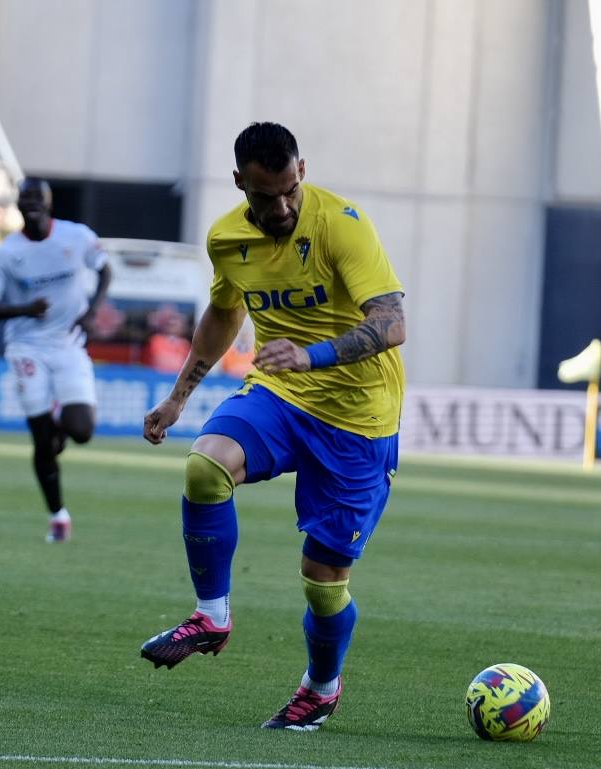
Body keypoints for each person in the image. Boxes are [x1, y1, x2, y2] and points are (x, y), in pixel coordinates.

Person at [139, 122, 406, 731]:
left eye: (289, 191)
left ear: (302, 171)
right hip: (281, 395)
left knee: (323, 581)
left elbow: (392, 323)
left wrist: (309, 355)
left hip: (359, 419)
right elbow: (224, 312)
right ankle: (211, 615)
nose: (281, 208)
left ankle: (321, 686)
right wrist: (179, 399)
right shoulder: (227, 239)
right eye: (265, 197)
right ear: (240, 184)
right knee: (206, 465)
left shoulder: (342, 224)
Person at [0, 177, 112, 543]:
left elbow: (105, 269)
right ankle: (58, 516)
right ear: (18, 205)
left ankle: (57, 421)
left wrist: (92, 312)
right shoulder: (7, 253)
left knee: (80, 431)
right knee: (40, 439)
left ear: (50, 204)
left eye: (38, 198)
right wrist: (24, 309)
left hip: (69, 344)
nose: (32, 203)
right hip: (27, 347)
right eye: (25, 198)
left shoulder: (76, 236)